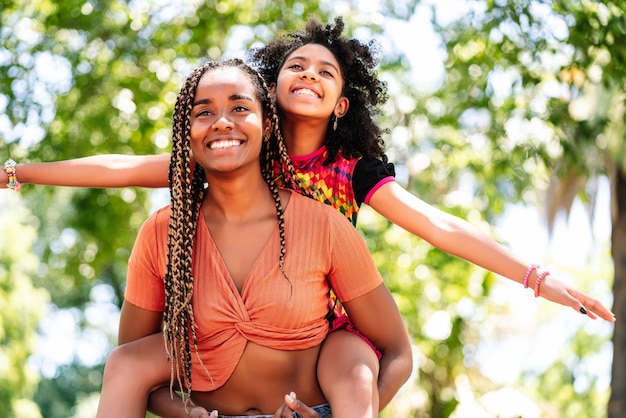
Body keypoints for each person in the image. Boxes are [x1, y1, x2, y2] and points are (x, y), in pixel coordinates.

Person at [2, 15, 616, 416]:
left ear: (341, 101)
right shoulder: (233, 156)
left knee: (356, 366)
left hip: (324, 327)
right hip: (230, 329)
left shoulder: (352, 171)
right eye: (297, 65)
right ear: (270, 92)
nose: (309, 74)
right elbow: (120, 168)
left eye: (326, 71)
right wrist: (19, 172)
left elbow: (442, 228)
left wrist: (539, 280)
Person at [96, 57, 412, 417]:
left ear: (267, 124)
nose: (222, 123)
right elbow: (136, 365)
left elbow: (397, 351)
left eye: (239, 108)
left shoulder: (323, 226)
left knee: (354, 360)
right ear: (187, 133)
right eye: (204, 113)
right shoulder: (162, 233)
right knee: (122, 362)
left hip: (315, 410)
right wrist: (185, 412)